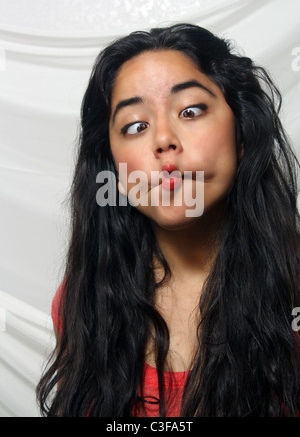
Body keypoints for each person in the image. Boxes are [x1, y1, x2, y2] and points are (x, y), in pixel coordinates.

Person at [36, 23, 300, 417]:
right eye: (135, 126)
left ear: (242, 134)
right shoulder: (83, 299)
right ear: (114, 168)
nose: (163, 139)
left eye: (190, 111)